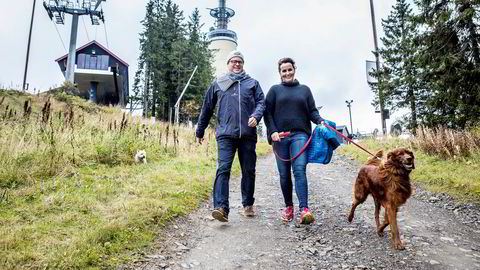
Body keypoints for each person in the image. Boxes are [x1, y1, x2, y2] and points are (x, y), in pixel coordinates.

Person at [196, 50, 265, 222]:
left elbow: (262, 102)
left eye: (239, 61)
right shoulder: (218, 83)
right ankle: (221, 208)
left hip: (247, 135)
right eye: (233, 61)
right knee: (223, 169)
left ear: (243, 64)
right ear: (228, 63)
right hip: (225, 134)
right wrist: (200, 130)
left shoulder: (252, 83)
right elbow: (207, 108)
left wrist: (256, 116)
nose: (236, 64)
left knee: (248, 170)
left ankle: (248, 204)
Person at [263, 57, 324, 224]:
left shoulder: (305, 90)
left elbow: (312, 111)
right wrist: (273, 131)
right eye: (284, 70)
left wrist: (321, 121)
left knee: (299, 170)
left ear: (294, 69)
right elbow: (266, 113)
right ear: (280, 73)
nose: (287, 73)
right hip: (280, 137)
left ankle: (304, 209)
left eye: (290, 69)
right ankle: (289, 207)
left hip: (300, 135)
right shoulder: (274, 90)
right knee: (284, 174)